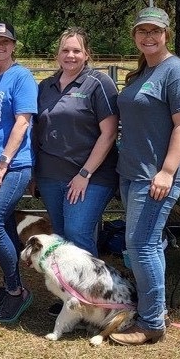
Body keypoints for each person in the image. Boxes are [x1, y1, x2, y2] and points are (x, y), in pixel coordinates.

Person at [109, 7, 180, 345]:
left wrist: (166, 171)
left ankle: (150, 325)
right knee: (148, 246)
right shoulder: (142, 73)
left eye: (155, 31)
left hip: (155, 177)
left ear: (166, 34)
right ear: (135, 36)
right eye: (142, 31)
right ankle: (155, 310)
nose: (149, 36)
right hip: (132, 173)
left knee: (141, 245)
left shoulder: (176, 73)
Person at [33, 27, 120, 317]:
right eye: (65, 50)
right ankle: (70, 297)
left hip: (90, 176)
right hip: (50, 175)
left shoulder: (99, 83)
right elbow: (38, 132)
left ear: (87, 55)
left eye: (76, 50)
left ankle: (91, 303)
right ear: (57, 55)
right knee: (62, 239)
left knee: (78, 232)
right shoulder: (45, 86)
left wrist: (84, 174)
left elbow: (108, 134)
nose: (70, 55)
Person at [0, 21, 38, 323]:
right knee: (3, 227)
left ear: (14, 45)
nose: (0, 46)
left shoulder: (22, 77)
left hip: (12, 165)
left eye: (6, 41)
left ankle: (16, 290)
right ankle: (11, 284)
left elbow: (22, 122)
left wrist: (4, 161)